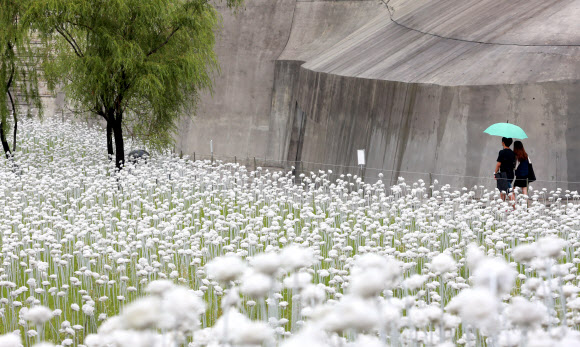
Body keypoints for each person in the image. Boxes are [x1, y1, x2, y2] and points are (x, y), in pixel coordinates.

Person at [494, 137, 515, 201]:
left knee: (508, 191)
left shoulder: (502, 152)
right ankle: (502, 207)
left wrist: (495, 173)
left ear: (503, 142)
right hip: (511, 174)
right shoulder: (512, 153)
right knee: (503, 191)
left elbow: (498, 164)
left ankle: (515, 207)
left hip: (504, 175)